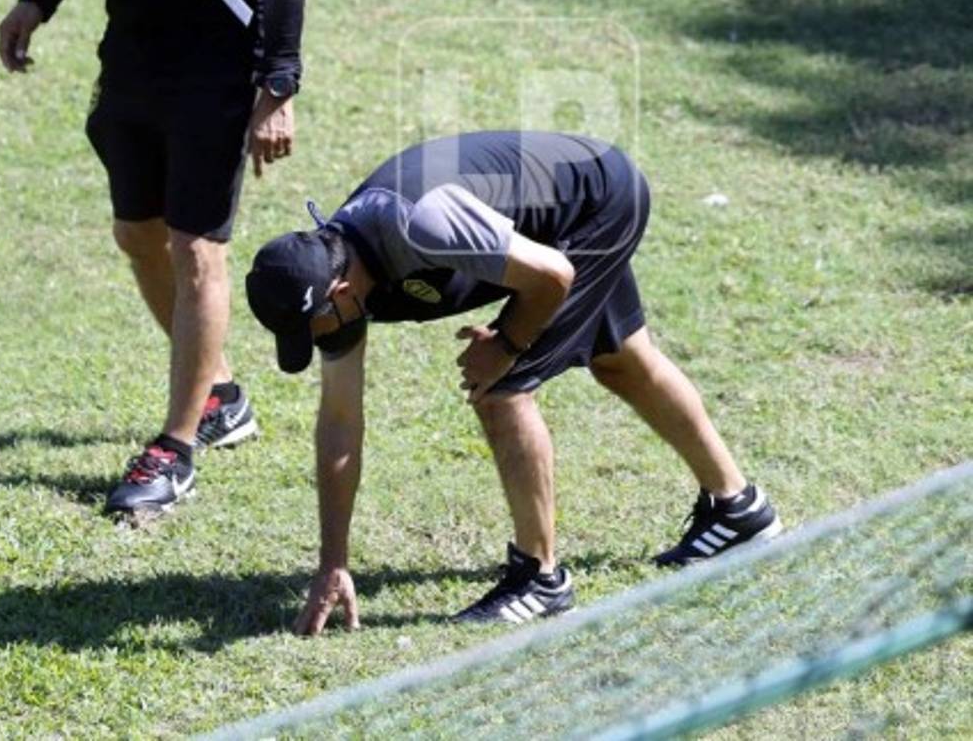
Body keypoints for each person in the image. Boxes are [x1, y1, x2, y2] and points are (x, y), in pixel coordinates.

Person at [246, 131, 782, 632]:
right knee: (621, 359)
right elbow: (340, 422)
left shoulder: (419, 224)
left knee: (502, 390)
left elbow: (553, 276)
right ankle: (739, 509)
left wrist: (504, 346)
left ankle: (540, 578)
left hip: (594, 203)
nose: (317, 341)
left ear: (340, 292)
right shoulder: (337, 276)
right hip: (545, 225)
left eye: (311, 329)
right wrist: (333, 562)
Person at [0, 0, 308, 516]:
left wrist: (277, 87)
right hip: (131, 55)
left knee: (195, 248)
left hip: (217, 72)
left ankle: (176, 447)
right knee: (137, 232)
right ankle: (220, 397)